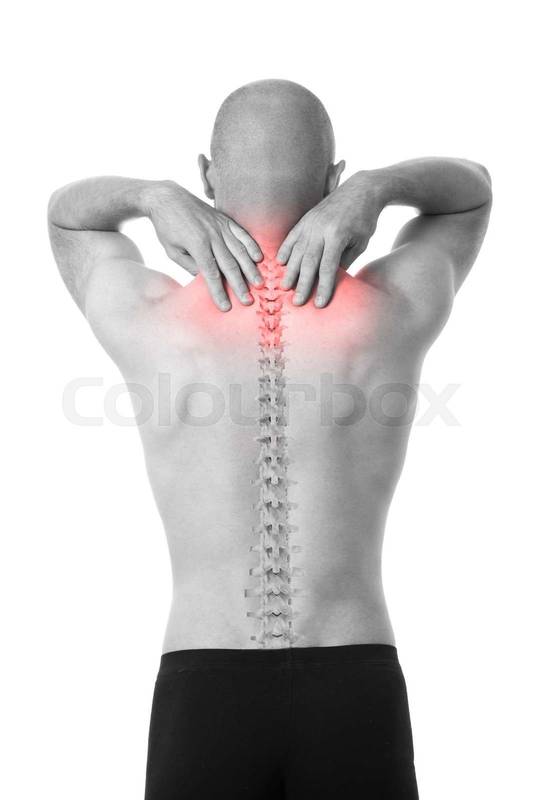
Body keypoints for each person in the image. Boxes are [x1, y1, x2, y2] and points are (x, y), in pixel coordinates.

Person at [48, 79, 491, 799]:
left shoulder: (150, 317)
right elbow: (471, 191)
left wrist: (151, 197)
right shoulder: (390, 307)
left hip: (202, 689)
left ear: (206, 177)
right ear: (333, 181)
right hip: (355, 682)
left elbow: (68, 219)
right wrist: (379, 188)